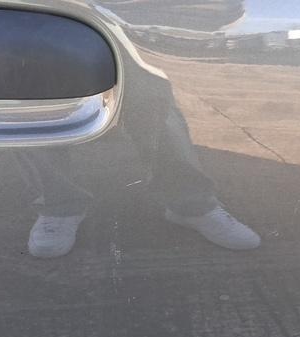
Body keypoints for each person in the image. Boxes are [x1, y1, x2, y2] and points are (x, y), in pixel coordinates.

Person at [17, 51, 260, 258]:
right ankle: (59, 205)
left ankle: (191, 204)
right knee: (36, 100)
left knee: (152, 98)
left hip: (125, 16)